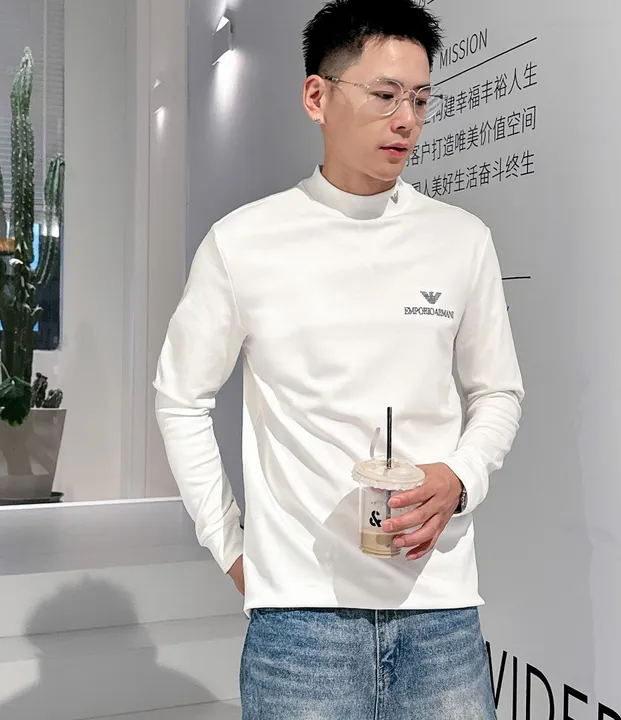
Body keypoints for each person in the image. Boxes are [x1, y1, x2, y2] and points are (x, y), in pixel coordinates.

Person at [154, 0, 525, 717]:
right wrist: (229, 545)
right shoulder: (245, 242)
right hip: (301, 622)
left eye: (420, 99)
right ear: (316, 96)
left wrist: (461, 476)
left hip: (440, 611)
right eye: (384, 95)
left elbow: (498, 392)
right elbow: (180, 398)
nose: (407, 119)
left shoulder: (461, 239)